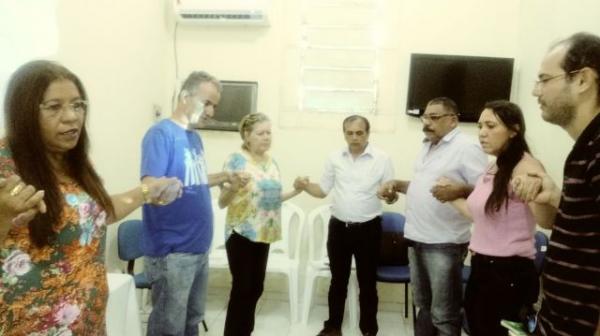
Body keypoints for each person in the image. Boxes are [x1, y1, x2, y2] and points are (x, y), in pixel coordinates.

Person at [0, 60, 181, 335]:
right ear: (24, 112)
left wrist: (147, 192)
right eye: (54, 107)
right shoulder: (6, 165)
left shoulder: (74, 161)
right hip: (31, 324)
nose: (72, 116)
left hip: (86, 318)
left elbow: (95, 214)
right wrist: (2, 216)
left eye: (77, 104)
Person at [140, 70, 244, 336]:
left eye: (214, 105)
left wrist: (224, 176)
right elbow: (150, 186)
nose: (211, 111)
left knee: (192, 321)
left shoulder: (194, 138)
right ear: (185, 96)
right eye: (206, 102)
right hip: (172, 251)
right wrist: (161, 188)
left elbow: (193, 179)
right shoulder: (160, 134)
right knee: (168, 326)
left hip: (198, 248)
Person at [513, 31, 600, 336]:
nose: (536, 92)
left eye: (544, 79)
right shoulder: (585, 148)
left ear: (582, 80)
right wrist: (557, 198)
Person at [378, 97, 487, 336]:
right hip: (417, 239)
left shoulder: (466, 147)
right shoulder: (427, 145)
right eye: (424, 117)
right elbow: (424, 186)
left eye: (434, 117)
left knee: (444, 315)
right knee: (424, 307)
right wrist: (397, 184)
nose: (427, 122)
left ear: (453, 120)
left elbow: (484, 190)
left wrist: (458, 190)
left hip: (444, 243)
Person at [436, 100, 546, 336]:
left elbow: (547, 220)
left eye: (491, 126)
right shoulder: (495, 167)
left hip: (509, 274)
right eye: (479, 126)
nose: (482, 133)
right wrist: (449, 195)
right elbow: (479, 216)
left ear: (514, 130)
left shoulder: (525, 166)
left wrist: (541, 186)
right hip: (483, 268)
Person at [297, 115, 394, 336]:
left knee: (367, 283)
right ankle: (333, 327)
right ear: (344, 134)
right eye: (349, 133)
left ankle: (369, 329)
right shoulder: (334, 158)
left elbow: (391, 194)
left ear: (368, 134)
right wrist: (303, 186)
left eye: (359, 133)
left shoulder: (382, 158)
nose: (354, 137)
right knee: (338, 281)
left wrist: (388, 195)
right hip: (339, 228)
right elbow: (322, 190)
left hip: (369, 229)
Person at [218, 112, 303, 336]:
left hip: (264, 233)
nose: (266, 137)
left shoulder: (271, 162)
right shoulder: (235, 160)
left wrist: (296, 190)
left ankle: (245, 332)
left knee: (256, 289)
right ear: (247, 135)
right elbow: (222, 202)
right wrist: (234, 186)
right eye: (260, 133)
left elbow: (272, 199)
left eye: (269, 133)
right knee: (242, 289)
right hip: (241, 233)